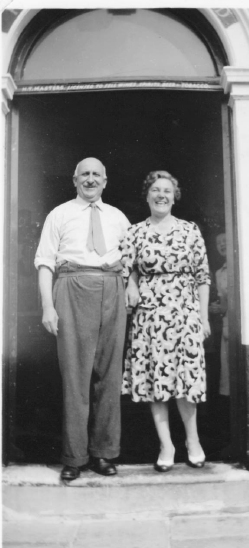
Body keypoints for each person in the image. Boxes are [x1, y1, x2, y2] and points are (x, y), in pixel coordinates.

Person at [34, 157, 131, 481]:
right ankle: (74, 457)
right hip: (72, 287)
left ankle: (104, 454)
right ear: (75, 180)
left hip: (112, 289)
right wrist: (48, 306)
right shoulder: (59, 214)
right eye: (84, 174)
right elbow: (46, 263)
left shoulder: (118, 217)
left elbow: (130, 259)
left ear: (105, 182)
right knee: (75, 377)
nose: (90, 179)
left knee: (109, 375)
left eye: (96, 175)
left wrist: (129, 285)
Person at [121, 170, 211, 472]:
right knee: (156, 378)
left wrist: (203, 316)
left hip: (185, 313)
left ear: (175, 197)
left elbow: (203, 276)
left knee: (186, 379)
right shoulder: (135, 232)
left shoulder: (190, 230)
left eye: (167, 191)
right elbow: (127, 268)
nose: (161, 195)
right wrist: (132, 283)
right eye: (156, 190)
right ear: (147, 195)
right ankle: (166, 444)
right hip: (150, 314)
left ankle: (193, 441)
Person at [209, 232, 229, 396]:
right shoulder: (219, 272)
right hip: (226, 329)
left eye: (225, 241)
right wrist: (216, 308)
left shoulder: (239, 268)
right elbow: (224, 304)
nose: (222, 245)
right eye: (218, 243)